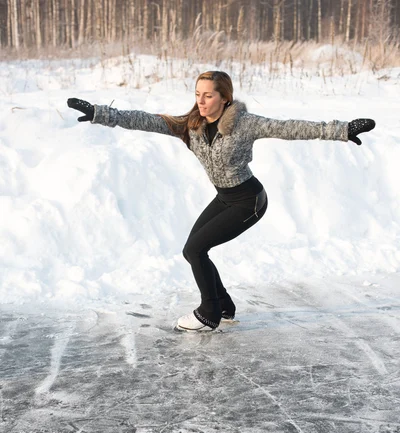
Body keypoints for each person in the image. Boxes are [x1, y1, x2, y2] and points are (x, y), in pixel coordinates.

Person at [67, 71, 375, 332]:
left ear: (224, 98)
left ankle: (209, 313)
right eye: (198, 94)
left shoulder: (245, 124)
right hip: (225, 197)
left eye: (208, 95)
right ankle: (225, 305)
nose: (200, 101)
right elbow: (147, 120)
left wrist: (343, 130)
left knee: (195, 250)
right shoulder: (191, 125)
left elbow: (290, 128)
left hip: (249, 201)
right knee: (194, 250)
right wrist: (101, 113)